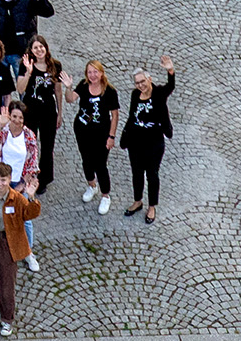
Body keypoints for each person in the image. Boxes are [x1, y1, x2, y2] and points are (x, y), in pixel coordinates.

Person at [0, 161, 40, 335]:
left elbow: (31, 214)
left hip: (7, 244)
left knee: (6, 283)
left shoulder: (16, 199)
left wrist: (32, 197)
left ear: (10, 179)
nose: (0, 184)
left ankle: (7, 319)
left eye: (3, 180)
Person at [119, 54, 175, 222]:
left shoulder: (158, 93)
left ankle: (152, 207)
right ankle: (137, 201)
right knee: (136, 173)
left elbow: (170, 86)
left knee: (152, 174)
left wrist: (170, 70)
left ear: (149, 79)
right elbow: (131, 116)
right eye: (137, 83)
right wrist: (125, 136)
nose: (141, 85)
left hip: (154, 142)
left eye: (143, 81)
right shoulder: (135, 95)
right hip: (136, 141)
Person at [0, 102, 40, 269]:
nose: (17, 121)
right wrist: (1, 125)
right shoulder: (3, 132)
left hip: (20, 182)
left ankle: (28, 252)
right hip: (1, 181)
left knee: (25, 219)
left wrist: (22, 186)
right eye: (14, 116)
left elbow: (32, 164)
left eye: (21, 118)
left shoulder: (29, 136)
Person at [66, 59, 119, 215]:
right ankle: (92, 186)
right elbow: (70, 99)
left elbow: (115, 116)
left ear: (101, 73)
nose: (93, 75)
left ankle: (105, 195)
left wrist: (111, 136)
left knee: (101, 164)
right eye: (90, 72)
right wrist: (68, 87)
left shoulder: (109, 91)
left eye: (95, 71)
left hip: (101, 133)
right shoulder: (83, 85)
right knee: (86, 159)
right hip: (83, 129)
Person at [17, 36, 63, 195]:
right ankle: (28, 174)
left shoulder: (55, 65)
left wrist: (60, 112)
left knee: (47, 145)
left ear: (46, 48)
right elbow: (20, 89)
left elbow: (57, 90)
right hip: (30, 110)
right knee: (30, 144)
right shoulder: (25, 65)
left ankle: (44, 179)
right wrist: (29, 72)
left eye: (41, 47)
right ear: (31, 50)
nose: (39, 50)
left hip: (49, 111)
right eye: (35, 48)